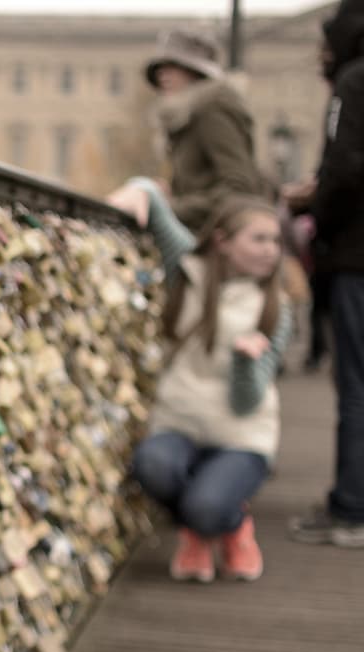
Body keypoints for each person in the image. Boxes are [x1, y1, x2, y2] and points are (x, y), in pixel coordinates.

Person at [110, 180, 292, 582]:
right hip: (181, 424)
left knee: (206, 506)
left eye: (275, 240)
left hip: (242, 439)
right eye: (259, 238)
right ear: (223, 241)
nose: (271, 250)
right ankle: (205, 525)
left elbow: (247, 403)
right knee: (153, 466)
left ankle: (226, 524)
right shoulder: (190, 269)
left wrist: (247, 363)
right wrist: (139, 189)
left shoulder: (276, 308)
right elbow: (158, 209)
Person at [288, 0, 364, 548]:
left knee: (361, 385)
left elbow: (343, 169)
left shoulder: (358, 80)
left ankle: (354, 511)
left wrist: (318, 218)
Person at [144, 29, 270, 233]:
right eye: (160, 68)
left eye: (173, 65)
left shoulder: (212, 106)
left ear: (195, 71)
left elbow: (239, 187)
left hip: (217, 241)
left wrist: (172, 208)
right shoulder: (188, 114)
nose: (162, 74)